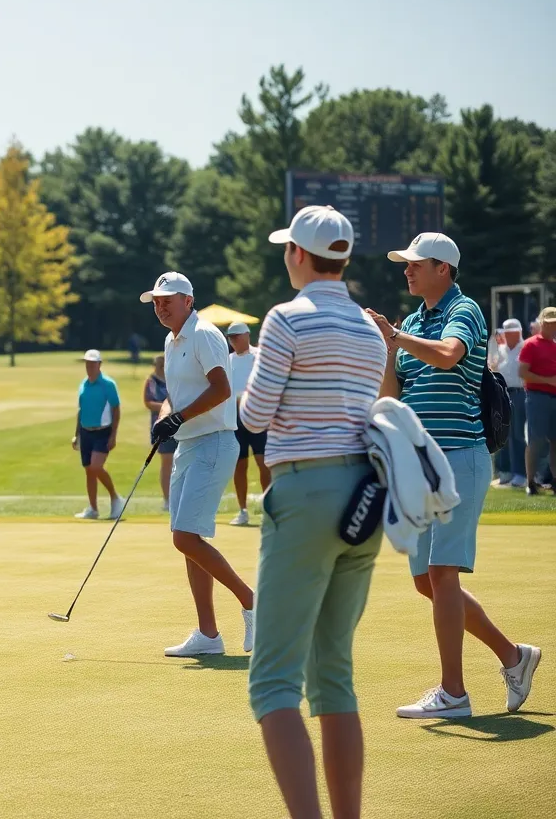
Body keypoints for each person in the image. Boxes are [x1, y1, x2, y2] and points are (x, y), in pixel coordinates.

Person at [243, 204, 386, 819]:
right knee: (334, 677)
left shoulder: (286, 319)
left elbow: (253, 416)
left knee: (274, 683)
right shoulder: (368, 326)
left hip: (305, 495)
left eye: (286, 250)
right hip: (365, 500)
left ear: (299, 255)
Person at [367, 232, 540, 719]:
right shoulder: (414, 320)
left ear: (443, 268)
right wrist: (387, 345)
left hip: (459, 456)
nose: (407, 270)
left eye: (415, 264)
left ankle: (453, 693)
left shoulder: (463, 310)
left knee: (443, 574)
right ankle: (514, 656)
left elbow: (448, 355)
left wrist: (397, 336)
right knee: (427, 581)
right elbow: (394, 394)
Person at [143, 271, 255, 657]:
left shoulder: (205, 334)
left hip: (215, 442)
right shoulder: (171, 340)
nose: (160, 307)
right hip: (189, 444)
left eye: (167, 300)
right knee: (188, 540)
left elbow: (222, 389)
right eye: (156, 301)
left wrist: (181, 416)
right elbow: (176, 395)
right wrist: (166, 416)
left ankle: (253, 602)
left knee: (184, 537)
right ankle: (209, 634)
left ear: (188, 301)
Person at [226, 322, 271, 526]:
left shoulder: (260, 356)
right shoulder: (228, 360)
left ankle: (270, 509)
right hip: (235, 418)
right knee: (239, 463)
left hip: (258, 415)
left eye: (236, 336)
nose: (233, 340)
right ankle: (243, 510)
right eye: (230, 337)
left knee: (264, 463)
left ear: (246, 335)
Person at [73, 350, 125, 519]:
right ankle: (93, 509)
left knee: (96, 467)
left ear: (99, 364)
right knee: (89, 471)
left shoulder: (108, 384)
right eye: (87, 363)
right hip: (85, 431)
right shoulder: (83, 384)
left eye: (93, 363)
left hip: (103, 431)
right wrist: (76, 435)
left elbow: (116, 409)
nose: (89, 367)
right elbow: (81, 411)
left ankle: (116, 498)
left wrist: (113, 435)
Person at [520, 307, 556, 496]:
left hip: (554, 397)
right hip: (537, 396)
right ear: (542, 323)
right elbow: (523, 372)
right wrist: (548, 380)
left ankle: (554, 481)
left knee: (555, 441)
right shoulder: (531, 344)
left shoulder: (555, 346)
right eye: (549, 322)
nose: (553, 326)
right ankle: (530, 481)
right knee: (537, 440)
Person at [489, 319, 528, 488]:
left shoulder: (525, 347)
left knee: (517, 434)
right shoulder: (500, 350)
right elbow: (493, 368)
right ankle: (504, 472)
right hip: (502, 393)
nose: (509, 335)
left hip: (520, 393)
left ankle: (520, 473)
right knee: (501, 433)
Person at [143, 355, 175, 511]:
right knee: (167, 460)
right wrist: (166, 409)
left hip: (177, 424)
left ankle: (178, 497)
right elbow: (148, 402)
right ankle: (167, 499)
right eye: (158, 364)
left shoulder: (173, 379)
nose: (160, 367)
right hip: (161, 426)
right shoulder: (151, 381)